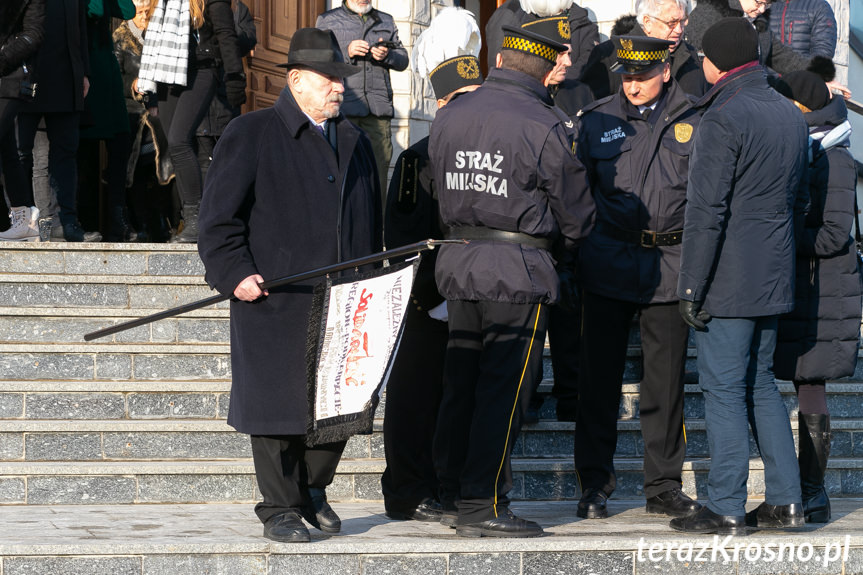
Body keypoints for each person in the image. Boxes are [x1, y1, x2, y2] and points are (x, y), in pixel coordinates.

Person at [197, 28, 381, 544]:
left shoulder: (355, 141)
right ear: (297, 80)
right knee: (278, 408)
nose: (340, 88)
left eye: (342, 80)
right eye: (330, 79)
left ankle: (311, 491)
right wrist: (235, 274)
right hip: (277, 298)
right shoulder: (252, 132)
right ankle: (279, 506)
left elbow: (373, 223)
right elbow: (218, 221)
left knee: (340, 409)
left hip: (346, 301)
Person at [430, 25, 594, 538]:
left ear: (501, 59)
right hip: (518, 271)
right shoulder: (543, 123)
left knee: (462, 385)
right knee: (505, 390)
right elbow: (578, 216)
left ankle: (454, 492)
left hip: (460, 262)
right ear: (547, 70)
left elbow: (440, 188)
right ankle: (484, 504)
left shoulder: (452, 113)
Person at [671, 17, 808, 535]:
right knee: (762, 386)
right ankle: (787, 501)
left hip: (727, 276)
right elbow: (800, 202)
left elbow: (706, 212)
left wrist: (690, 286)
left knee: (725, 390)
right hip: (773, 271)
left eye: (702, 58)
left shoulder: (723, 116)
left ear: (719, 61)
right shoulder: (787, 111)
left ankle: (726, 504)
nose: (699, 66)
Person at [573, 35, 702, 522]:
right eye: (626, 76)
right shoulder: (597, 120)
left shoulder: (696, 118)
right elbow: (576, 194)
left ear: (665, 71)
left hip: (670, 265)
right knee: (598, 382)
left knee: (665, 386)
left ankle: (663, 485)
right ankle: (593, 484)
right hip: (607, 260)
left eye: (643, 76)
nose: (633, 85)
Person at [381, 7, 483, 524]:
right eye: (456, 101)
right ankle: (407, 489)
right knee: (416, 398)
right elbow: (402, 240)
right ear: (442, 103)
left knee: (462, 401)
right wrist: (431, 296)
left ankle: (453, 485)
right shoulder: (417, 158)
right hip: (429, 300)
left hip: (477, 298)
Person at [772, 70, 859, 524]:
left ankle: (813, 491)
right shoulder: (803, 147)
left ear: (802, 109)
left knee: (810, 386)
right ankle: (794, 489)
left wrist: (776, 234)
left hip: (822, 290)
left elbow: (831, 237)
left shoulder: (835, 158)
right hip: (797, 283)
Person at [137, 0, 247, 243]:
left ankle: (196, 220)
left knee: (179, 141)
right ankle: (193, 218)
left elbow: (226, 35)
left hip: (201, 70)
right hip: (167, 75)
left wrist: (234, 77)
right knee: (173, 145)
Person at [16, 0, 100, 242]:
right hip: (27, 77)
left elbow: (81, 27)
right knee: (21, 154)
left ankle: (64, 222)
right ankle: (25, 222)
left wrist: (84, 70)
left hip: (66, 77)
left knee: (65, 153)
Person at [316, 0, 408, 199]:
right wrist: (346, 52)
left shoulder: (386, 20)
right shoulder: (328, 20)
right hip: (342, 110)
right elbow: (317, 60)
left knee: (378, 176)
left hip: (377, 112)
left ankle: (377, 229)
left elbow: (403, 59)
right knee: (342, 172)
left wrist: (387, 55)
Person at [114, 0, 175, 242]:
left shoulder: (162, 31)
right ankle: (139, 223)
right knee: (134, 169)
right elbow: (113, 77)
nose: (141, 4)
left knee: (165, 167)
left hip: (161, 113)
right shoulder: (120, 35)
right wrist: (134, 86)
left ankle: (163, 219)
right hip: (132, 112)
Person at [77, 0, 137, 242]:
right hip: (86, 72)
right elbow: (97, 9)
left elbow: (128, 10)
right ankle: (84, 219)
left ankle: (117, 217)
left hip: (107, 75)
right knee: (84, 155)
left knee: (120, 144)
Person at [580, 0, 707, 101]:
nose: (679, 30)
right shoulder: (609, 54)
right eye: (672, 23)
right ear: (647, 22)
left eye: (683, 21)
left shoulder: (690, 54)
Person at [195, 0, 256, 184]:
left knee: (228, 158)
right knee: (201, 160)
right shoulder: (197, 6)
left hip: (227, 91)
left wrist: (225, 33)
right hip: (201, 92)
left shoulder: (239, 8)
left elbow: (249, 39)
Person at [0, 0, 44, 242]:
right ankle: (23, 217)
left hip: (13, 76)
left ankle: (23, 219)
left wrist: (4, 58)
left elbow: (34, 34)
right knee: (7, 150)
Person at [769, 0, 837, 58]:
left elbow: (823, 51)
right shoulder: (765, 6)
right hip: (766, 73)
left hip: (802, 72)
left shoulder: (819, 6)